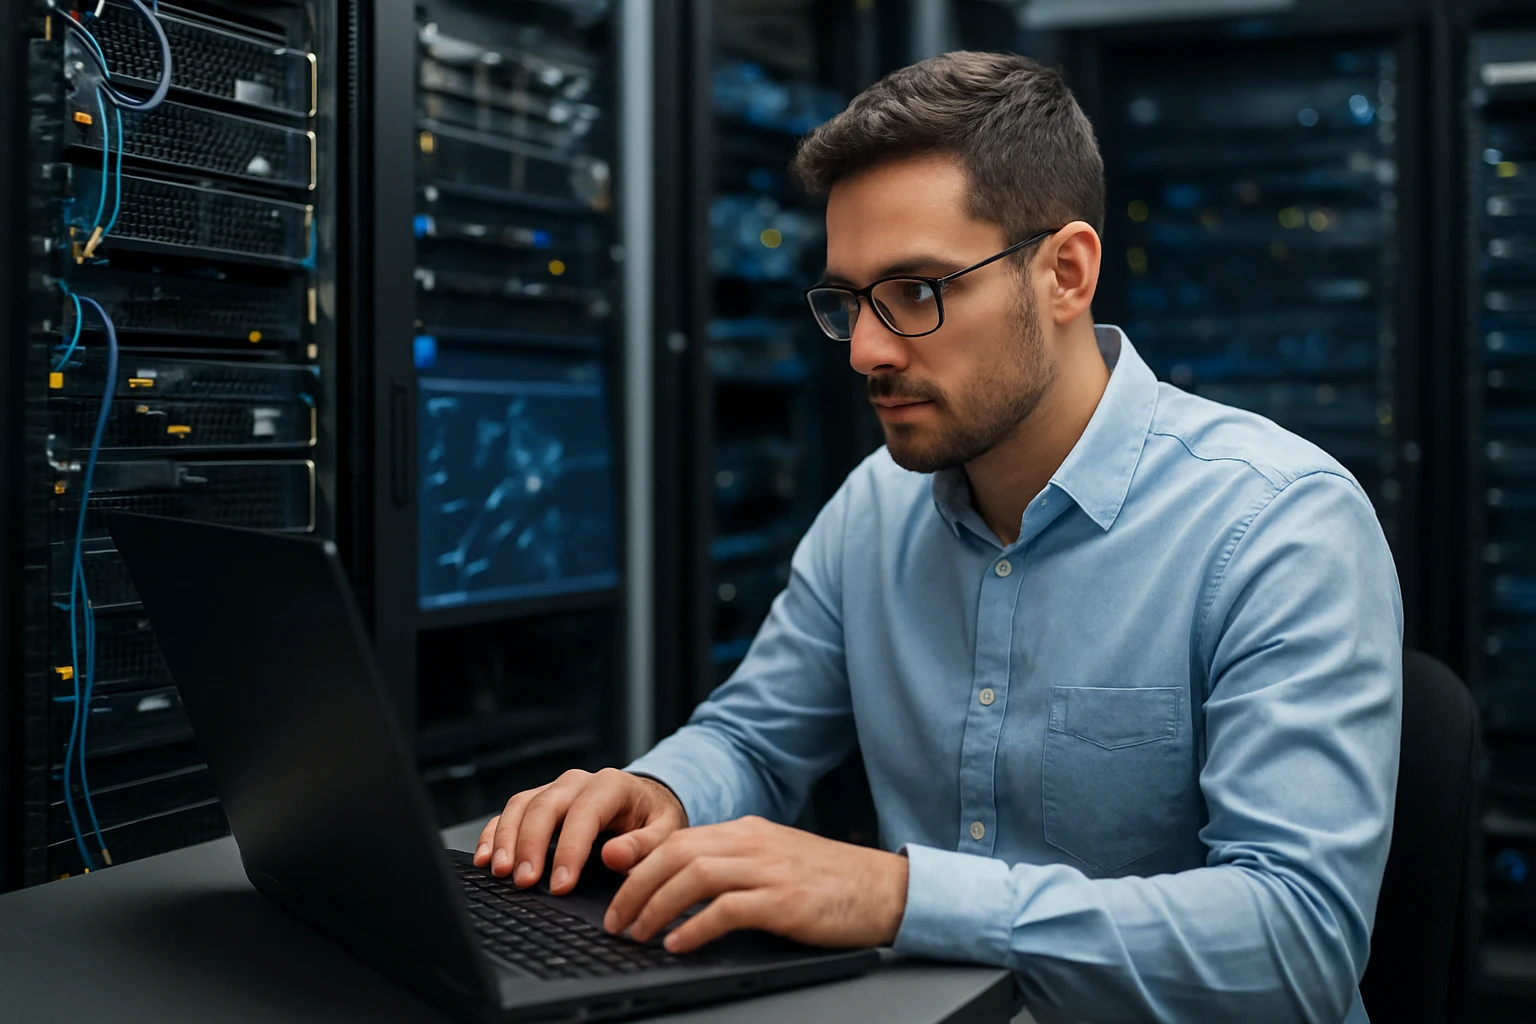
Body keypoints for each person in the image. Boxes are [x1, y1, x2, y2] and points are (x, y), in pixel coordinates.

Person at [474, 51, 1401, 1023]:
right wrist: (658, 792)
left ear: (1065, 273)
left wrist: (897, 896)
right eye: (847, 301)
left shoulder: (1276, 526)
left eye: (917, 291)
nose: (868, 350)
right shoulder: (874, 510)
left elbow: (1297, 943)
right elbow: (752, 740)